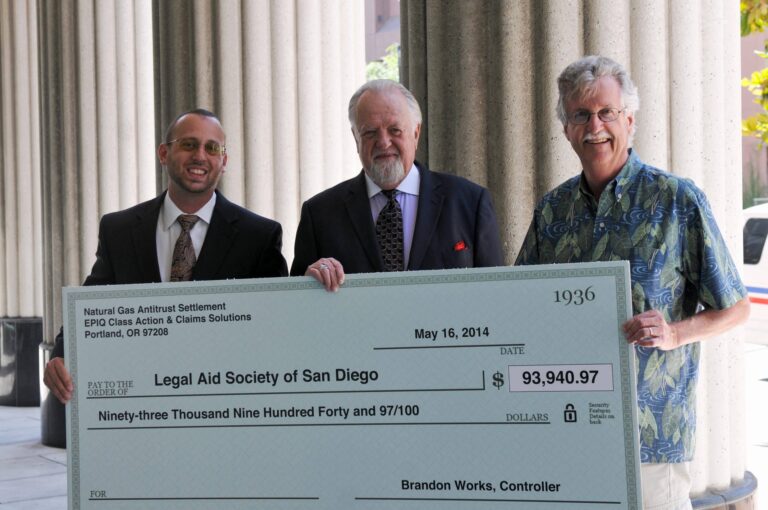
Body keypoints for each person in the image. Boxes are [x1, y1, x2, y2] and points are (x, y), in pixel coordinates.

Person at [515, 55, 750, 510]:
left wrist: (675, 333)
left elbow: (736, 307)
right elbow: (523, 303)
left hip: (653, 437)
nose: (594, 125)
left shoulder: (676, 200)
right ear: (565, 129)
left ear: (630, 120)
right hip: (570, 430)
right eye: (580, 115)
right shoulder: (552, 211)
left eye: (606, 112)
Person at [44, 108, 288, 404]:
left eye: (212, 148)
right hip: (144, 404)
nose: (200, 155)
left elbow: (277, 325)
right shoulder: (119, 230)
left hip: (225, 403)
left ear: (223, 161)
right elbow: (93, 302)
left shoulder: (259, 236)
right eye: (188, 144)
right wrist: (61, 354)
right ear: (163, 153)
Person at [291, 79, 503, 289]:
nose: (383, 142)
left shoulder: (470, 204)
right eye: (370, 132)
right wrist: (307, 286)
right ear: (356, 139)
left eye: (395, 130)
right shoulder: (319, 215)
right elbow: (294, 308)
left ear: (416, 134)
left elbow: (495, 295)